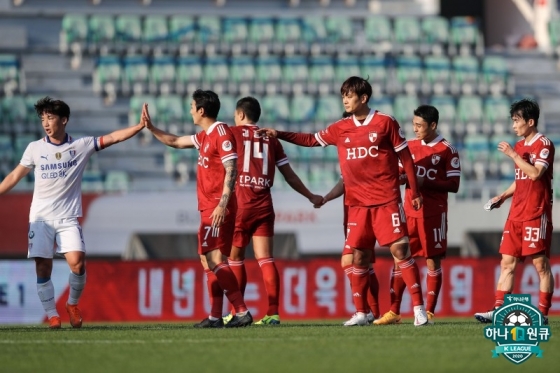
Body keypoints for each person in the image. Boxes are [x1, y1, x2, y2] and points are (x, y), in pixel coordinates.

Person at [258, 76, 429, 326]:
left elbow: (407, 159)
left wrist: (414, 192)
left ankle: (418, 310)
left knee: (400, 250)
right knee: (358, 257)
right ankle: (361, 313)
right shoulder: (340, 127)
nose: (345, 100)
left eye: (349, 95)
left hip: (386, 201)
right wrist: (279, 134)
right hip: (357, 205)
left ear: (363, 98)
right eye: (343, 96)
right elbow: (311, 140)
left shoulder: (385, 122)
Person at [0, 97, 146, 329]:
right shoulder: (35, 148)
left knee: (77, 263)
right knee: (43, 267)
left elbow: (112, 137)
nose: (46, 123)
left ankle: (72, 304)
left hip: (67, 218)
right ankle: (52, 315)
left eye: (50, 118)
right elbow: (15, 176)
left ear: (64, 119)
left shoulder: (80, 146)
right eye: (43, 119)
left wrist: (138, 127)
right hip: (40, 219)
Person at [143, 89, 252, 328]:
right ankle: (215, 317)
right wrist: (151, 128)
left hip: (217, 206)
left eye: (192, 106)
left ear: (201, 110)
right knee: (206, 259)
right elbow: (174, 141)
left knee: (214, 258)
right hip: (207, 207)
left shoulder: (221, 132)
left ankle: (242, 311)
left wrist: (223, 203)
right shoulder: (204, 136)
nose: (190, 110)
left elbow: (232, 167)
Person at [225, 96, 323, 325]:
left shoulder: (231, 134)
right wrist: (310, 195)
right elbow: (289, 175)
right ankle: (272, 313)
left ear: (240, 115)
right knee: (266, 259)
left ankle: (237, 312)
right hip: (264, 205)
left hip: (241, 203)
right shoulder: (271, 139)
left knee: (235, 258)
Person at [374, 105, 461, 325]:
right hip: (408, 213)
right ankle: (394, 311)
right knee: (399, 261)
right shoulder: (409, 146)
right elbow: (400, 172)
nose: (415, 129)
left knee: (432, 262)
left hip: (434, 214)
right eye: (413, 124)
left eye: (419, 125)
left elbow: (454, 184)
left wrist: (424, 182)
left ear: (433, 125)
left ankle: (429, 311)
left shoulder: (447, 150)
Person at [475, 98, 554, 325]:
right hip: (516, 213)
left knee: (540, 265)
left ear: (530, 122)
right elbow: (521, 179)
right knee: (506, 263)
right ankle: (499, 310)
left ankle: (543, 314)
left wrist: (513, 155)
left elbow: (536, 173)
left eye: (516, 121)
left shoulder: (544, 144)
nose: (513, 126)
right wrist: (501, 197)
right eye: (512, 121)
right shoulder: (519, 146)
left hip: (536, 212)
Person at [317, 177, 380, 325]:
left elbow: (345, 181)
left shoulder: (356, 155)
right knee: (366, 264)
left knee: (348, 261)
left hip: (360, 212)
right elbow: (344, 181)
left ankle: (365, 311)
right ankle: (374, 313)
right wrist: (327, 198)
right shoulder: (352, 156)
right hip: (356, 211)